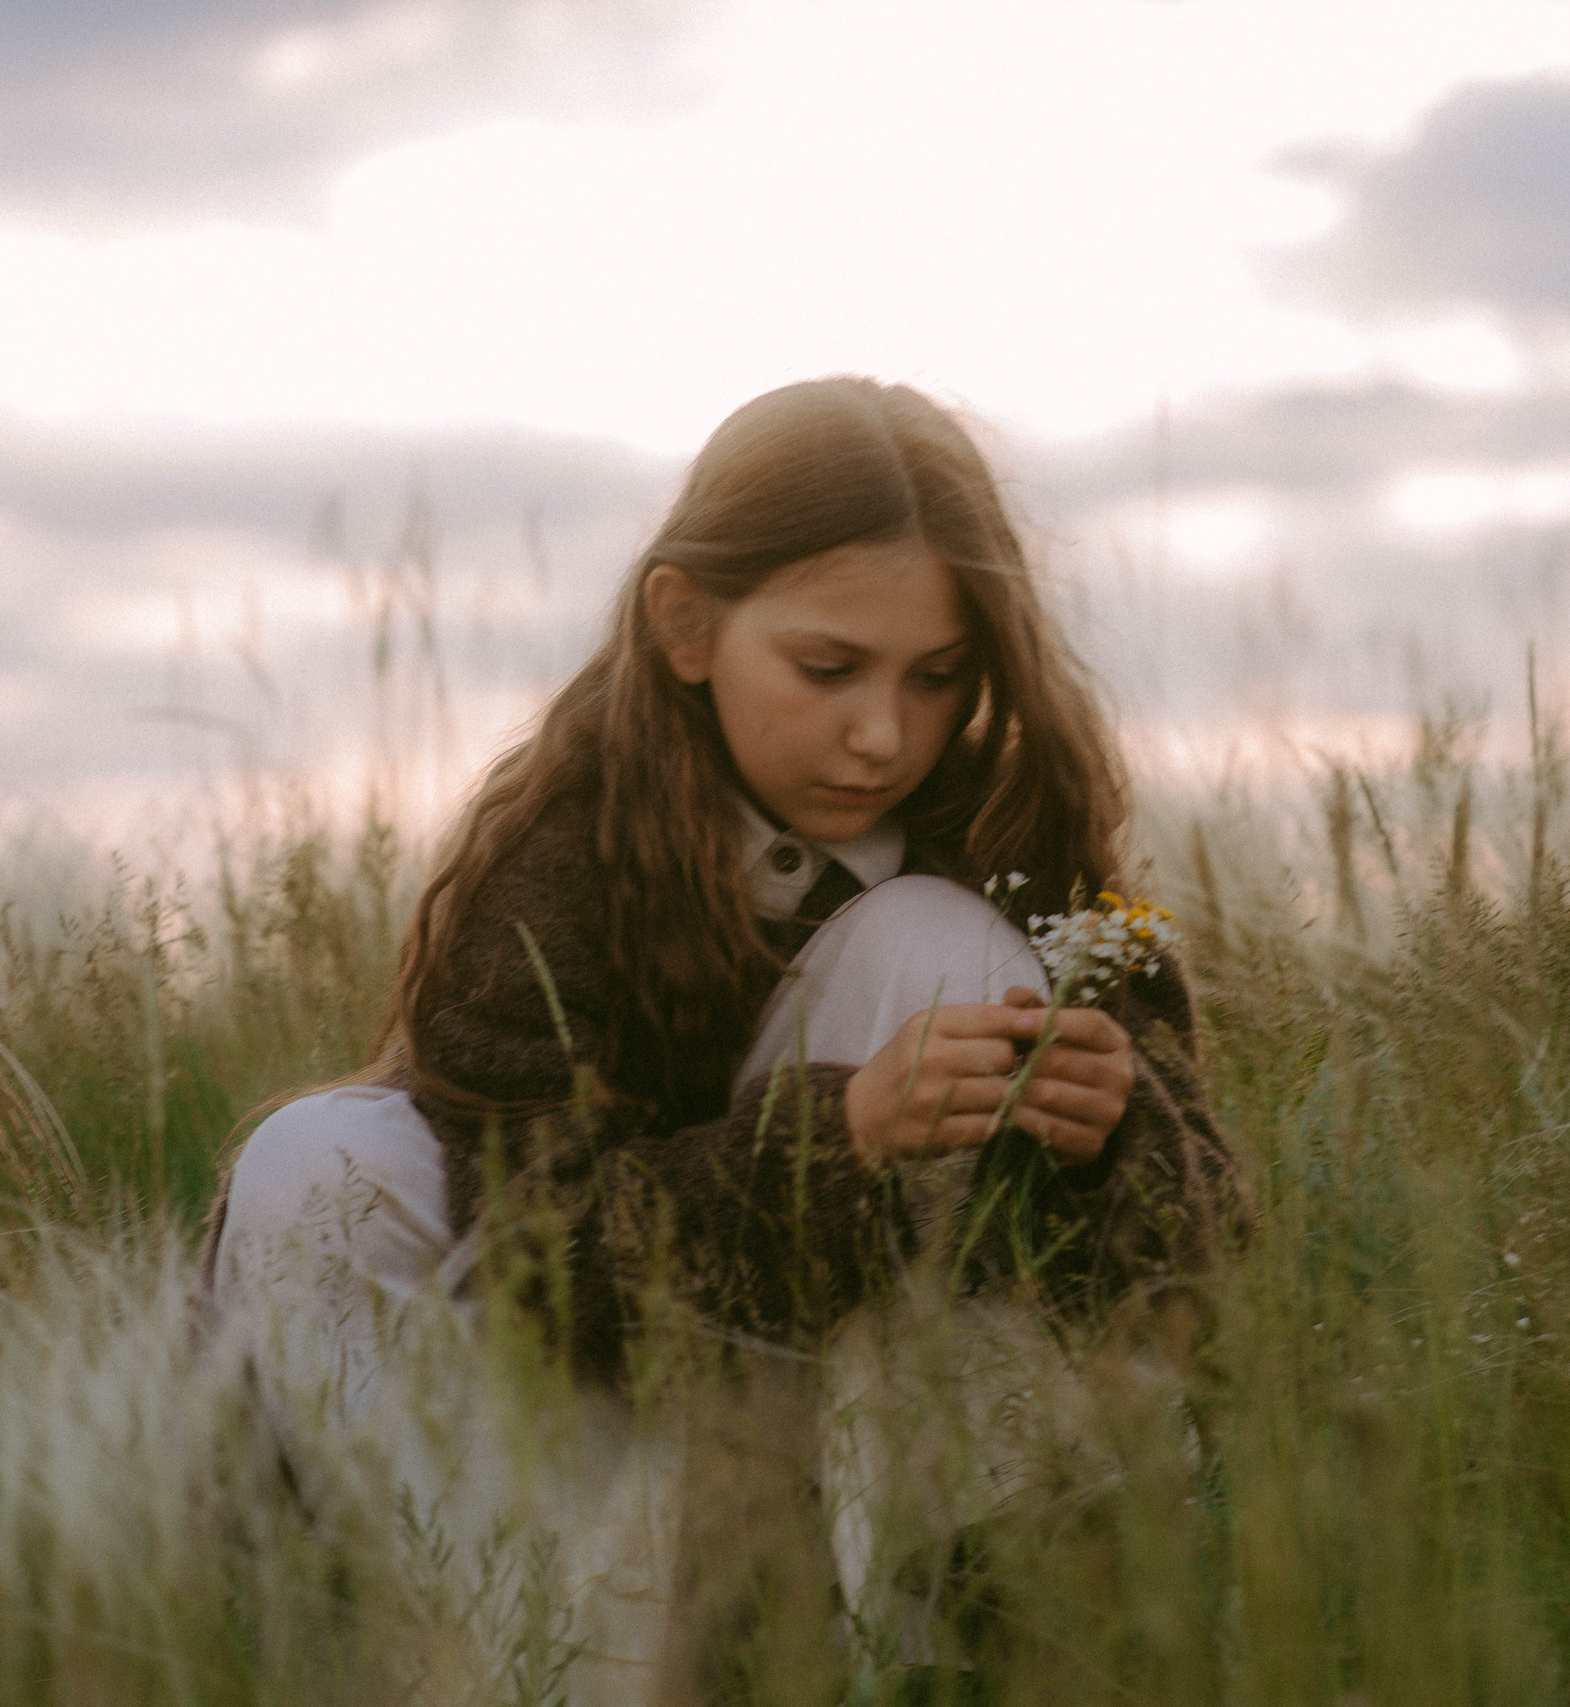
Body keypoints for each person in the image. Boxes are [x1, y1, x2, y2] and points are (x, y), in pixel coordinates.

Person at [202, 376, 1249, 1694]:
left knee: (931, 938)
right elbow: (546, 1262)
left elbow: (1203, 1265)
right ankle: (477, 1665)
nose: (883, 735)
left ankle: (969, 1661)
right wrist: (840, 1135)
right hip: (602, 1446)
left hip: (884, 1468)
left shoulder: (1011, 840)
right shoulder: (561, 857)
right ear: (687, 626)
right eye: (828, 669)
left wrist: (1111, 1141)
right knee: (315, 1157)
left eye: (938, 679)